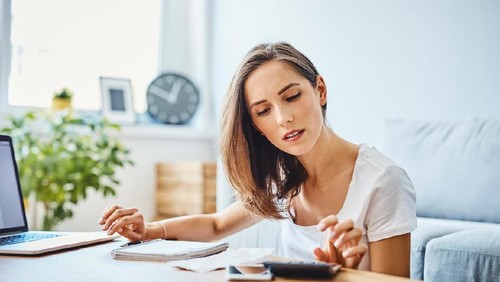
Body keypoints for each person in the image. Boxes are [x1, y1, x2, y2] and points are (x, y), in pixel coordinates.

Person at [99, 42, 417, 277]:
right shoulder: (284, 175)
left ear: (320, 90)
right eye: (264, 111)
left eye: (292, 96)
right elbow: (215, 224)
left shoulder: (382, 180)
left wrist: (345, 273)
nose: (283, 118)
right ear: (256, 126)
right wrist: (149, 230)